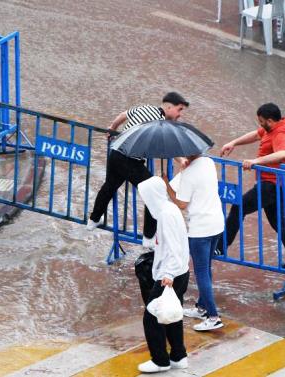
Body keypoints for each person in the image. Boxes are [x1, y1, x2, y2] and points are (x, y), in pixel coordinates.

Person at [86, 92, 190, 248]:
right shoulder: (161, 124)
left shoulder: (144, 108)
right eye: (179, 109)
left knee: (109, 186)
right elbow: (167, 149)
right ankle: (148, 237)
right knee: (154, 192)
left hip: (115, 152)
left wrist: (113, 128)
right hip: (130, 160)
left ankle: (93, 220)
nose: (180, 115)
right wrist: (182, 159)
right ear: (169, 107)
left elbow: (123, 115)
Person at [218, 103, 285, 269]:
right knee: (279, 223)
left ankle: (220, 248)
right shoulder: (273, 127)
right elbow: (256, 135)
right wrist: (233, 142)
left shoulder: (281, 132)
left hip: (272, 185)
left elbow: (282, 154)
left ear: (270, 121)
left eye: (262, 121)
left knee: (238, 207)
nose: (260, 124)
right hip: (277, 184)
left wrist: (255, 161)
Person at [164, 153, 225, 332]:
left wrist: (167, 184)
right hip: (216, 224)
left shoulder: (189, 173)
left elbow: (182, 203)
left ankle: (213, 317)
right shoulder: (208, 162)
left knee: (201, 272)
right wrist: (185, 171)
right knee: (206, 268)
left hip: (200, 229)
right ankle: (202, 307)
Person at [136, 176, 190, 373]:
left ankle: (160, 360)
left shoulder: (166, 215)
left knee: (151, 315)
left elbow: (173, 247)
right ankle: (178, 355)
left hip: (170, 274)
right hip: (180, 271)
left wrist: (167, 274)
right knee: (173, 314)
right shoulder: (169, 209)